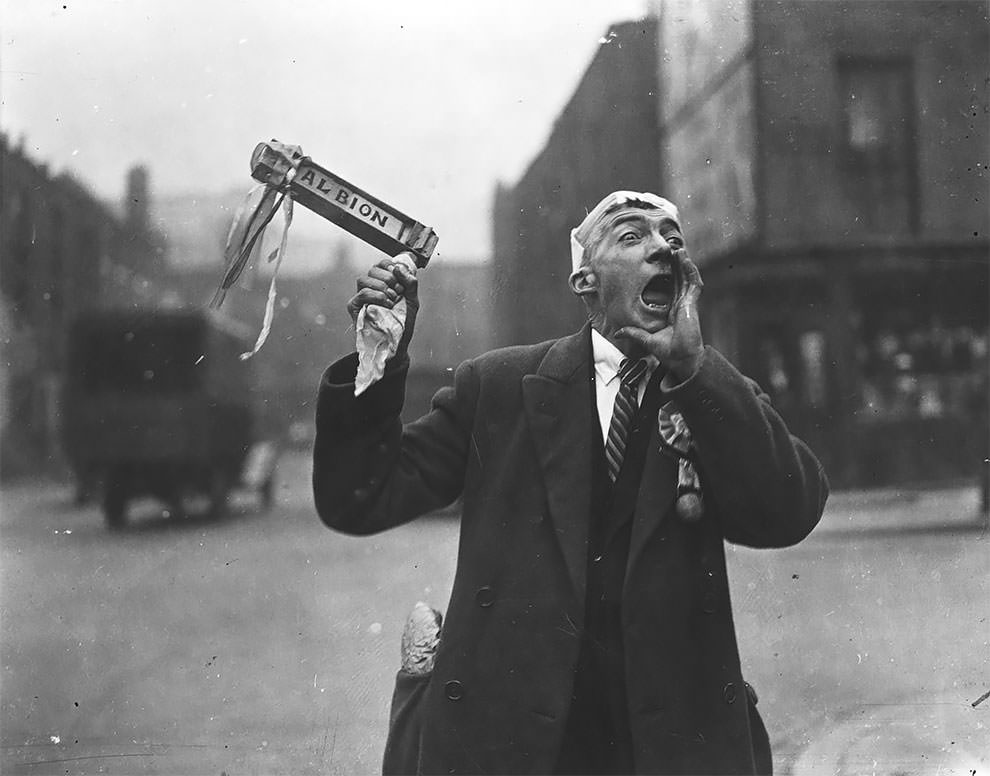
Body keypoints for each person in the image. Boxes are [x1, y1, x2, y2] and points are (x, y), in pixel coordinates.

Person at [313, 191, 828, 775]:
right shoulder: (501, 387)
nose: (663, 248)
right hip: (517, 745)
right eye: (632, 237)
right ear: (584, 282)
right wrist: (376, 359)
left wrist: (694, 369)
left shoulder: (711, 394)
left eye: (673, 240)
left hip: (665, 747)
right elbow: (358, 496)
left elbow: (790, 513)